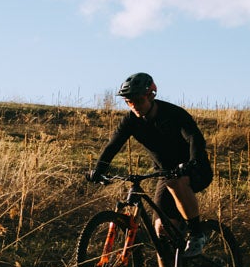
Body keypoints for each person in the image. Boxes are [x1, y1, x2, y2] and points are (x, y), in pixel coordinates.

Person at [87, 72, 216, 254]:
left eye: (138, 101)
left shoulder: (173, 114)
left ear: (150, 96)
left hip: (195, 168)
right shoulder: (131, 120)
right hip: (166, 173)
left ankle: (197, 233)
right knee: (161, 231)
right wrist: (98, 169)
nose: (134, 106)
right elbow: (113, 145)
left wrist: (193, 161)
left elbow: (195, 138)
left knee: (176, 182)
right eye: (128, 102)